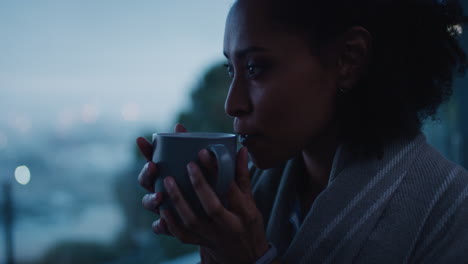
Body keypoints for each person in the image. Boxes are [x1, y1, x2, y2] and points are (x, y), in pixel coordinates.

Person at [137, 0, 468, 263]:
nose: (232, 103)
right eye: (231, 69)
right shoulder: (248, 192)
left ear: (348, 59)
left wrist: (252, 258)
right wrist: (211, 237)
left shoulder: (452, 213)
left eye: (255, 68)